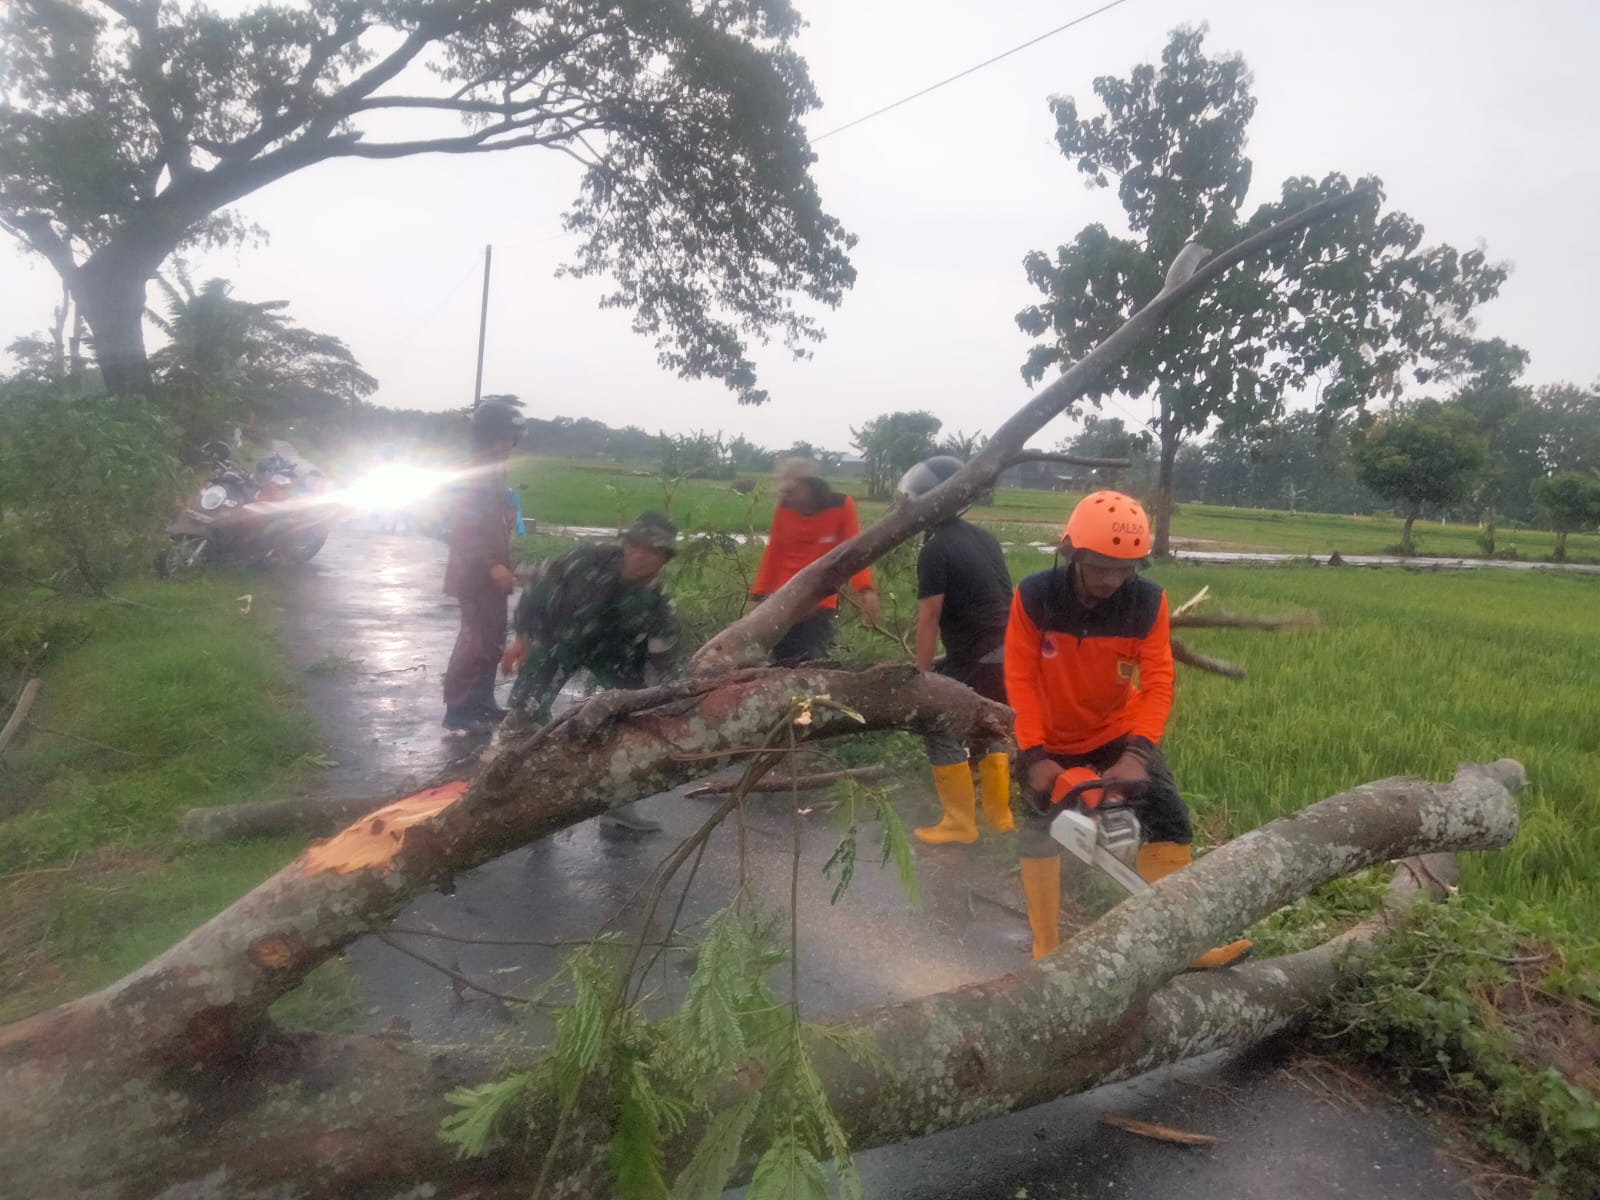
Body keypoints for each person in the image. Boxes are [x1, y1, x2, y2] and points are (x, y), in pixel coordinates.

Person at [1004, 490, 1251, 967]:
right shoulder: (1035, 597)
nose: (1111, 579)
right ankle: (1046, 950)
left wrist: (1137, 754)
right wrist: (1034, 755)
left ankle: (1187, 945)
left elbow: (1158, 681)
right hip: (1047, 737)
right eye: (1099, 566)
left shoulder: (1146, 602)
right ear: (1073, 553)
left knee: (1170, 816)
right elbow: (1019, 677)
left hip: (1116, 731)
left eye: (1124, 568)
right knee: (1040, 829)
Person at [895, 456, 1015, 845]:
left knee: (938, 722)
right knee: (993, 724)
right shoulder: (984, 538)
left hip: (977, 656)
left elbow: (929, 617)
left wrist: (922, 678)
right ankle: (999, 818)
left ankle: (960, 822)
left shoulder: (935, 548)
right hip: (1009, 651)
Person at [501, 512, 680, 724]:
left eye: (652, 551)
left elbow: (661, 665)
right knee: (524, 711)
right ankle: (524, 732)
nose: (639, 556)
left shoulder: (659, 604)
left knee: (638, 714)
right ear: (625, 544)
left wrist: (663, 706)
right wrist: (522, 637)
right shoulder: (586, 558)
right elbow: (538, 587)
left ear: (665, 558)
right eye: (634, 545)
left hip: (615, 657)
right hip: (561, 640)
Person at [441, 400, 523, 733]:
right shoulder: (474, 472)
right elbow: (465, 529)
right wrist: (493, 567)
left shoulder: (495, 471)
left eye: (511, 439)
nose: (508, 445)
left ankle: (483, 702)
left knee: (492, 638)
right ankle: (458, 709)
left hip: (493, 574)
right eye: (504, 438)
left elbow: (494, 524)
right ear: (488, 437)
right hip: (475, 573)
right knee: (474, 639)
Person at [750, 457, 880, 662]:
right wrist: (757, 597)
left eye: (792, 490)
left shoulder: (841, 506)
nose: (789, 497)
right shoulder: (785, 508)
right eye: (786, 492)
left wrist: (864, 589)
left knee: (813, 665)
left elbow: (854, 552)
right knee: (781, 666)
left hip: (819, 603)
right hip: (782, 604)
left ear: (809, 485)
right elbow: (773, 553)